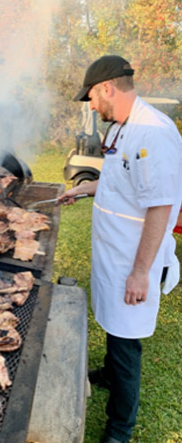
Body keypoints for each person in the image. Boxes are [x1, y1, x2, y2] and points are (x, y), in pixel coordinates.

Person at [59, 55, 182, 443]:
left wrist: (141, 272)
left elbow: (161, 206)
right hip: (114, 254)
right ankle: (109, 375)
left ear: (107, 88)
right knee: (113, 325)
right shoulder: (122, 129)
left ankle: (119, 430)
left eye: (92, 98)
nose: (91, 106)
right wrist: (84, 188)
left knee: (127, 343)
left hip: (134, 259)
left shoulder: (153, 132)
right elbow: (119, 181)